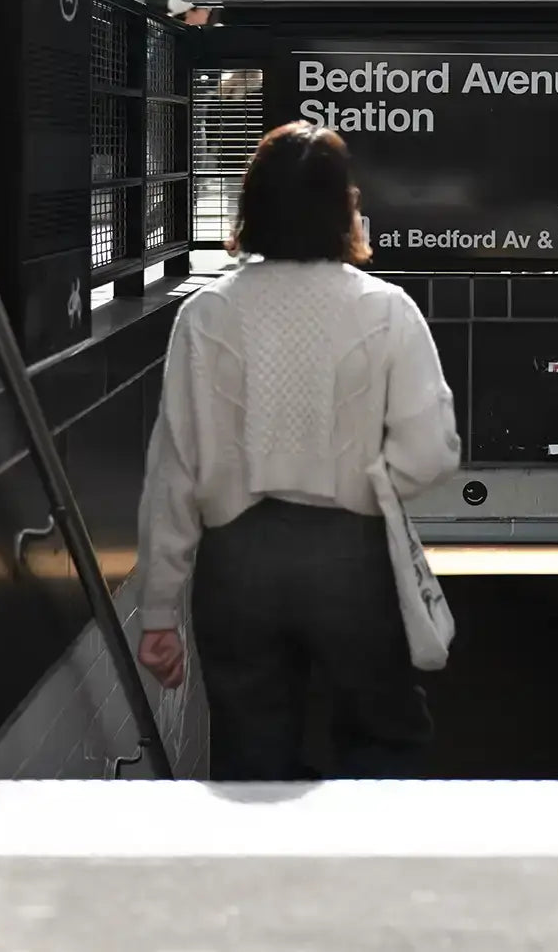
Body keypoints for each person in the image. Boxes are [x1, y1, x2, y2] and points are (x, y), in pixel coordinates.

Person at [135, 122, 461, 781]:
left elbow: (173, 473)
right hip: (352, 559)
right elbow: (430, 451)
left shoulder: (206, 314)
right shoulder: (386, 309)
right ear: (345, 207)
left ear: (250, 206)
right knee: (383, 739)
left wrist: (159, 610)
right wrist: (370, 484)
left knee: (252, 759)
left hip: (236, 565)